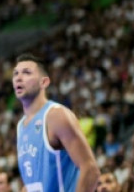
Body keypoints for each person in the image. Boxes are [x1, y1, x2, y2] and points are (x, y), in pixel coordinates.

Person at [13, 53, 99, 192]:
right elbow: (34, 185)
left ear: (44, 82)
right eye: (15, 73)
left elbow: (90, 169)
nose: (18, 78)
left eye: (27, 73)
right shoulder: (20, 126)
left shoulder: (56, 115)